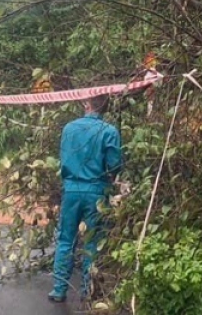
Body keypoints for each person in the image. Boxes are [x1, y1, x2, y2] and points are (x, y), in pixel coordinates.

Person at [49, 94, 123, 303]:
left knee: (65, 239)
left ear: (87, 104)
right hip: (96, 191)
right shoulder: (109, 131)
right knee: (93, 240)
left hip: (71, 190)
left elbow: (63, 159)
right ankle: (87, 290)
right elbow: (115, 164)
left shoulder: (69, 128)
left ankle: (59, 288)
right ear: (105, 107)